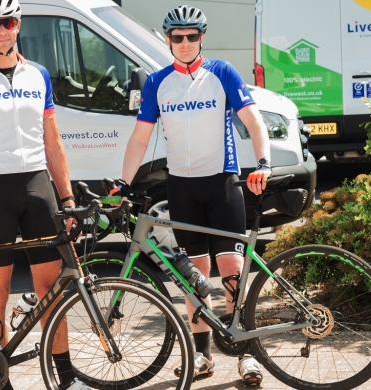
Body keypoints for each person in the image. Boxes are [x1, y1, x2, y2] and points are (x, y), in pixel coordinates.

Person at [112, 5, 270, 387]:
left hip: (222, 184)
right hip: (181, 187)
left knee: (232, 271)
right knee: (193, 278)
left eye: (192, 36)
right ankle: (202, 355)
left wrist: (263, 163)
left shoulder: (222, 74)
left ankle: (246, 354)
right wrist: (122, 182)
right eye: (177, 37)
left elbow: (253, 120)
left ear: (202, 38)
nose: (185, 43)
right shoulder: (157, 82)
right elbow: (140, 137)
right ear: (167, 40)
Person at [0, 1, 88, 389]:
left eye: (8, 22)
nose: (2, 30)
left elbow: (53, 144)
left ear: (18, 24)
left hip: (39, 190)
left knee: (51, 290)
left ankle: (65, 377)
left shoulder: (39, 74)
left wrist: (68, 199)